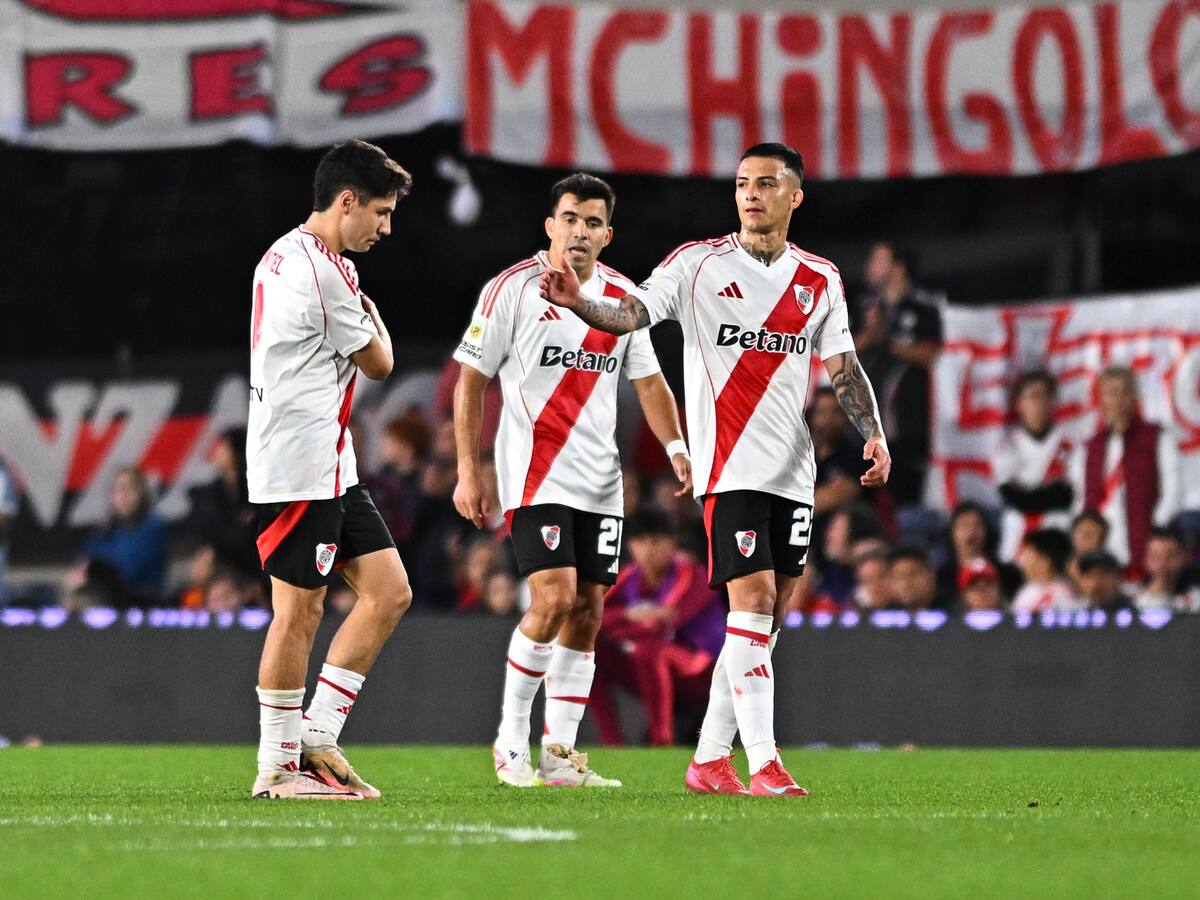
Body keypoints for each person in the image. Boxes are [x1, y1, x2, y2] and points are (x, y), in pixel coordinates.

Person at [540, 143, 891, 798]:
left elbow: (843, 367)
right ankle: (766, 764)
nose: (751, 193)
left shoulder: (820, 278)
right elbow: (631, 314)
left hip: (793, 473)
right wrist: (582, 301)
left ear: (795, 196)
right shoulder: (697, 264)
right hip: (729, 470)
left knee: (764, 622)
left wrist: (873, 434)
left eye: (766, 183)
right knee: (751, 605)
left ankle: (707, 758)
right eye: (742, 183)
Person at [452, 173, 691, 789]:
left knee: (587, 613)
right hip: (535, 478)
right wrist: (467, 470)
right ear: (550, 226)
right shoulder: (511, 289)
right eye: (570, 219)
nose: (579, 232)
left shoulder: (621, 299)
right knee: (554, 599)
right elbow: (471, 382)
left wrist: (676, 447)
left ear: (607, 234)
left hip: (601, 485)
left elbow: (650, 382)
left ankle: (559, 757)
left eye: (592, 223)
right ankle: (510, 742)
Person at [246, 140, 414, 800]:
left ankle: (317, 737)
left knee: (388, 591)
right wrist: (377, 319)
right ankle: (277, 769)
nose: (386, 227)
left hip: (330, 464)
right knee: (298, 611)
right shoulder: (322, 273)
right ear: (347, 201)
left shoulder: (285, 252)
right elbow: (380, 364)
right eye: (381, 211)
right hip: (297, 464)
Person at [590, 507, 725, 746]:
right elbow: (592, 618)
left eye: (655, 541)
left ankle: (661, 740)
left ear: (672, 543)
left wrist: (622, 626)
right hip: (653, 665)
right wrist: (629, 615)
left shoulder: (691, 573)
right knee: (589, 651)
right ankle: (612, 743)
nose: (647, 550)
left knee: (649, 649)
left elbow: (662, 623)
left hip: (702, 670)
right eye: (640, 542)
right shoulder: (629, 575)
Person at [853, 240, 942, 530]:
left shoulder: (924, 309)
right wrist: (869, 336)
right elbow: (839, 352)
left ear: (899, 268)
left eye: (878, 259)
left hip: (907, 428)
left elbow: (931, 355)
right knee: (864, 509)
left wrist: (888, 343)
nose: (870, 266)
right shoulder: (863, 309)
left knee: (906, 510)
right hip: (863, 429)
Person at [1075, 366, 1179, 577]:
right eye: (1112, 393)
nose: (1118, 399)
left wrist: (1156, 529)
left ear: (1135, 396)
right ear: (1101, 399)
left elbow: (1173, 488)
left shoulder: (1157, 437)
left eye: (1125, 391)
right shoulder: (1090, 446)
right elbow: (1080, 496)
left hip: (1147, 540)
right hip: (1103, 544)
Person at [994, 371, 1075, 562]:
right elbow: (1011, 497)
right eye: (1031, 396)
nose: (1038, 403)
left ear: (1054, 402)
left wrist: (1028, 492)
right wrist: (1050, 491)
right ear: (1019, 404)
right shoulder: (1008, 446)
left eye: (1044, 395)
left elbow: (1068, 495)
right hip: (1017, 538)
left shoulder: (1070, 444)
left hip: (1058, 533)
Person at [76, 466, 168, 606]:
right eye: (118, 489)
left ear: (141, 493)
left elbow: (128, 572)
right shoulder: (105, 530)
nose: (123, 494)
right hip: (103, 600)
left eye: (129, 488)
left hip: (139, 602)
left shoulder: (152, 526)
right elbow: (83, 563)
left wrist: (92, 574)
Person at [1011, 528, 1081, 613]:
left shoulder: (1058, 597)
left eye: (1028, 554)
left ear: (1045, 561)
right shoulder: (1030, 589)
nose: (1022, 560)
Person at [1135, 527, 1200, 612]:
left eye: (1170, 556)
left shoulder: (1196, 597)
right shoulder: (1131, 596)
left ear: (1185, 558)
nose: (1162, 564)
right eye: (1155, 557)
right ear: (1145, 560)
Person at [887, 547, 939, 613]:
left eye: (913, 574)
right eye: (898, 577)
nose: (905, 583)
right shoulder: (885, 614)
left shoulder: (949, 611)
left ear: (931, 575)